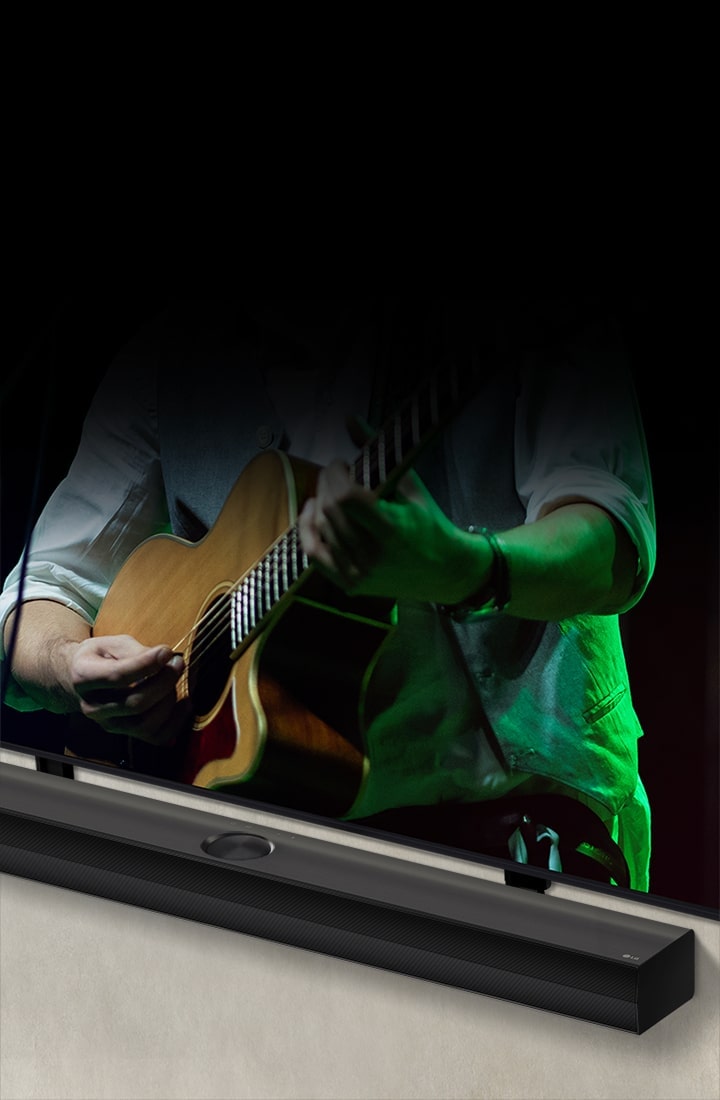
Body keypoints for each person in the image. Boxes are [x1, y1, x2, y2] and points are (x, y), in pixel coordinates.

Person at [0, 298, 656, 891]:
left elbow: (611, 542)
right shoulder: (171, 348)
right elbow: (38, 594)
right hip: (247, 857)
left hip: (507, 835)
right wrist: (67, 668)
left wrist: (461, 566)